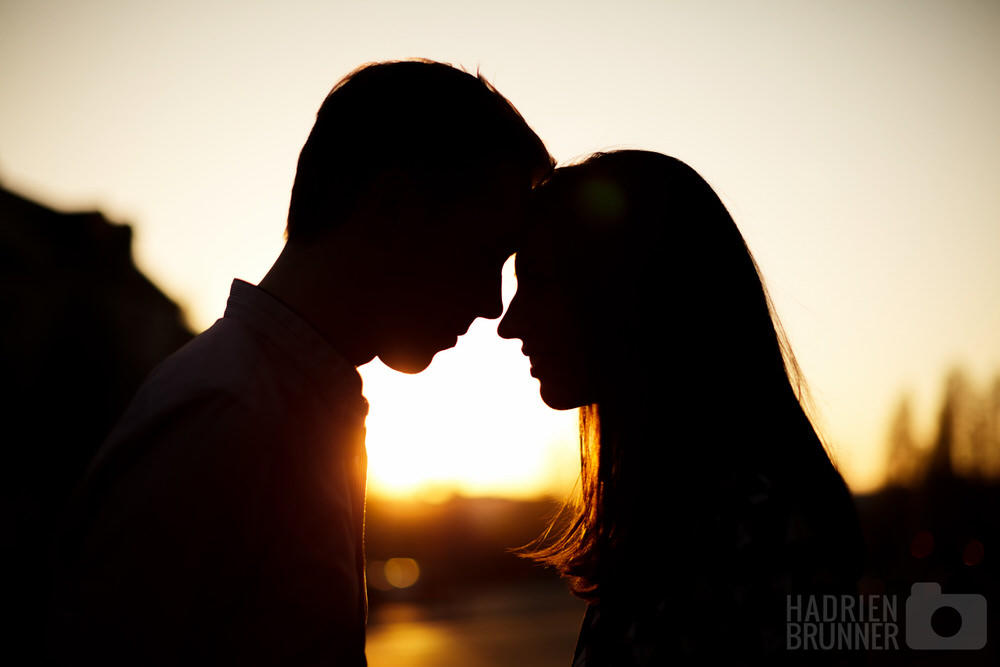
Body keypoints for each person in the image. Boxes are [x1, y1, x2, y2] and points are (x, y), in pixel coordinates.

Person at [46, 59, 553, 665]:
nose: (490, 304)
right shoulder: (225, 414)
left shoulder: (282, 406)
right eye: (484, 255)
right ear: (392, 210)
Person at [498, 150, 866, 665]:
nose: (507, 322)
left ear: (629, 291)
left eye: (536, 281)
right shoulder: (674, 525)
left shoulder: (757, 537)